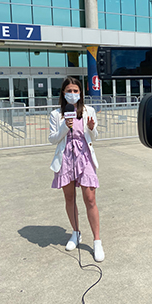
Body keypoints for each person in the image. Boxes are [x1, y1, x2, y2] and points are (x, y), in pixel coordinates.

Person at [48, 76, 104, 262]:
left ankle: (97, 241)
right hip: (66, 157)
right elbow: (53, 139)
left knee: (90, 197)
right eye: (69, 91)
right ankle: (76, 232)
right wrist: (65, 126)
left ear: (81, 93)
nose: (72, 94)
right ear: (63, 93)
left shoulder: (89, 110)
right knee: (69, 197)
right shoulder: (56, 114)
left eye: (75, 91)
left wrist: (91, 128)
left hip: (84, 156)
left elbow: (94, 137)